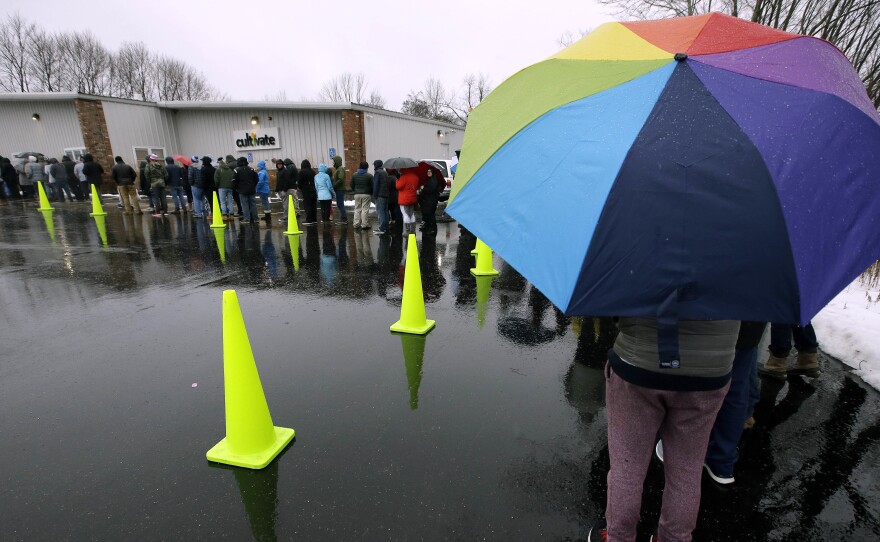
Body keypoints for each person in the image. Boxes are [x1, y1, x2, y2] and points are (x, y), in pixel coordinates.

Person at [590, 318, 739, 542]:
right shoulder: (741, 280)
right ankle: (674, 538)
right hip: (709, 372)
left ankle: (618, 537)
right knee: (686, 469)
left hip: (639, 363)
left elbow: (617, 303)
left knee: (627, 467)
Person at [233, 157, 259, 224]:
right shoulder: (251, 169)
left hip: (242, 190)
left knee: (245, 205)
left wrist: (236, 188)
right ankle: (256, 218)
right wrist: (253, 185)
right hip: (251, 189)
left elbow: (234, 181)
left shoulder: (236, 170)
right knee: (253, 204)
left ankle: (247, 219)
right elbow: (256, 179)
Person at [395, 167, 420, 234]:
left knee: (405, 214)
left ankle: (407, 231)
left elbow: (398, 187)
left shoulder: (403, 177)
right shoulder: (415, 177)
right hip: (412, 198)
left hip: (404, 199)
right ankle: (413, 230)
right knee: (411, 214)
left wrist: (397, 180)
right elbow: (416, 186)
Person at [350, 161, 373, 230]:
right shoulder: (369, 176)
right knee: (365, 209)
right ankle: (364, 224)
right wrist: (371, 192)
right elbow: (372, 186)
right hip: (366, 194)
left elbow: (351, 185)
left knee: (357, 209)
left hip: (357, 194)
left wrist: (355, 190)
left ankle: (356, 224)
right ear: (367, 168)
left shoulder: (354, 175)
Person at [275, 158, 298, 223]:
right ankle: (286, 216)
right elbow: (278, 182)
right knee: (285, 203)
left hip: (284, 190)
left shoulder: (285, 171)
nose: (279, 165)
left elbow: (287, 181)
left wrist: (284, 190)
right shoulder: (279, 171)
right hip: (281, 190)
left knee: (286, 204)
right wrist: (276, 190)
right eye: (278, 164)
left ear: (282, 164)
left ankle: (285, 217)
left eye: (280, 164)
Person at [419, 167, 440, 234]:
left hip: (431, 201)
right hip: (428, 201)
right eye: (427, 171)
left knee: (431, 215)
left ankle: (433, 229)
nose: (428, 172)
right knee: (428, 215)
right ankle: (429, 228)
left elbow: (431, 189)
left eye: (430, 171)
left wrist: (423, 188)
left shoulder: (433, 180)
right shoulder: (429, 179)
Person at [372, 160, 391, 235]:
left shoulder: (377, 173)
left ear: (376, 165)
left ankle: (382, 228)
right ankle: (386, 227)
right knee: (385, 211)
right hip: (386, 194)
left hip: (380, 195)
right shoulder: (385, 172)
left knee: (380, 212)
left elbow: (376, 185)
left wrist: (375, 195)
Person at [215, 155, 236, 221]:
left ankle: (224, 215)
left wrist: (217, 186)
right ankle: (232, 214)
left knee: (223, 202)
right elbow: (232, 178)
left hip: (221, 188)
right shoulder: (229, 169)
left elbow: (216, 180)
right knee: (230, 201)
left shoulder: (218, 170)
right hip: (230, 187)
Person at [298, 159, 318, 225]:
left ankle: (309, 220)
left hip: (306, 191)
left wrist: (300, 188)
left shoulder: (301, 172)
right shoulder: (313, 172)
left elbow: (299, 183)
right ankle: (314, 219)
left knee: (307, 205)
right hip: (314, 190)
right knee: (313, 205)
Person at [331, 155, 348, 224]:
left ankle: (344, 219)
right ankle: (343, 218)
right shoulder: (338, 169)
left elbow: (340, 179)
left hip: (340, 189)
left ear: (337, 162)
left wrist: (334, 185)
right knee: (339, 204)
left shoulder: (340, 169)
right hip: (338, 189)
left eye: (334, 161)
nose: (333, 163)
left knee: (340, 204)